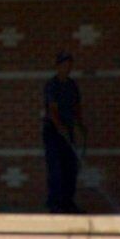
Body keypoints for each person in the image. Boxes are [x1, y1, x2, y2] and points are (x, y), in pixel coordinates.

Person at [40, 51, 85, 215]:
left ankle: (68, 202)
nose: (67, 67)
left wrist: (79, 124)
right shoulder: (52, 85)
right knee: (56, 167)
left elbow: (76, 106)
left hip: (68, 129)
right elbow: (52, 109)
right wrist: (60, 127)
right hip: (53, 131)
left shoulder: (72, 85)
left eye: (69, 64)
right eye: (64, 64)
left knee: (70, 167)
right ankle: (55, 204)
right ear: (58, 66)